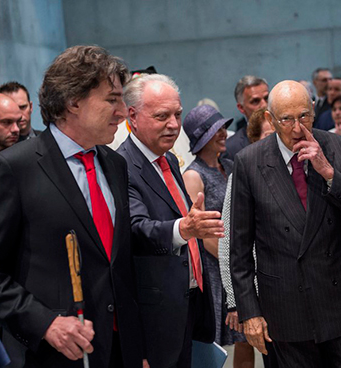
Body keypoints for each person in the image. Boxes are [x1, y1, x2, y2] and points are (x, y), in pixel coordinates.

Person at [0, 45, 144, 367]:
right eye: (112, 99)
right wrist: (45, 323)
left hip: (119, 349)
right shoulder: (14, 168)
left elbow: (116, 263)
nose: (123, 111)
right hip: (51, 354)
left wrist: (136, 348)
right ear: (73, 102)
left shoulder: (114, 164)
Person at [230, 80, 341, 367]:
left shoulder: (337, 147)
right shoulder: (249, 163)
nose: (298, 128)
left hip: (339, 303)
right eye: (287, 119)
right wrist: (249, 312)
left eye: (304, 116)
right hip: (286, 308)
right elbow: (239, 250)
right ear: (271, 120)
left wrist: (329, 173)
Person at [116, 74, 218, 368]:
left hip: (188, 302)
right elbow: (136, 229)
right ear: (132, 117)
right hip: (155, 317)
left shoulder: (169, 159)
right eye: (162, 116)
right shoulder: (122, 166)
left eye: (177, 114)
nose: (174, 124)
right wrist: (183, 229)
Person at [219, 107, 275, 368]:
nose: (275, 138)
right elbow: (228, 241)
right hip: (264, 288)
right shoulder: (242, 174)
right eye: (267, 134)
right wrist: (235, 299)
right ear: (254, 140)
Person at [182, 104, 234, 348]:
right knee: (215, 342)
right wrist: (229, 263)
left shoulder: (230, 166)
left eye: (224, 127)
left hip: (237, 260)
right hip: (215, 267)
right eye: (217, 129)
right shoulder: (194, 175)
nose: (224, 133)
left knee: (244, 339)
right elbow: (201, 233)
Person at [224, 75, 269, 160]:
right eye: (255, 101)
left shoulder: (288, 133)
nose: (264, 105)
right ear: (241, 107)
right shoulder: (231, 148)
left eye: (266, 98)